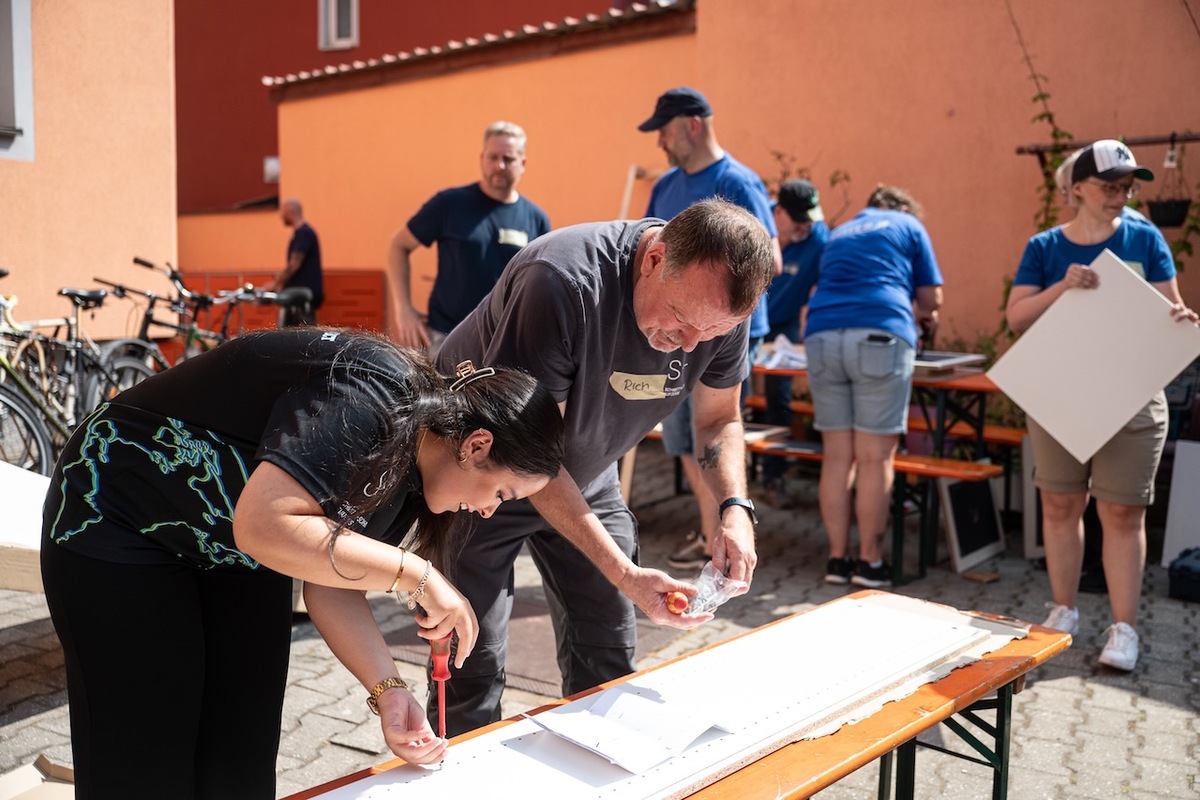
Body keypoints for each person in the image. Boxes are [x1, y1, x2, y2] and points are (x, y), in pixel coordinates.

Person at [39, 328, 565, 799]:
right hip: (117, 517)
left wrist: (389, 692)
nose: (490, 510)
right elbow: (266, 524)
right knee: (147, 754)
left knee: (239, 754)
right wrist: (418, 574)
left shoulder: (418, 475)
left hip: (228, 548)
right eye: (502, 490)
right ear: (476, 445)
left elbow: (330, 582)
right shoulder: (373, 397)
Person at [433, 198, 775, 735]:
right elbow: (532, 460)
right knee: (470, 668)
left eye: (708, 335)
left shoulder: (717, 310)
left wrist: (735, 509)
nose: (687, 346)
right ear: (654, 259)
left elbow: (719, 420)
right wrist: (624, 571)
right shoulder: (561, 283)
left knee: (608, 659)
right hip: (481, 477)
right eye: (682, 320)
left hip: (586, 473)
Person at [1006, 139, 1198, 671]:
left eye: (1128, 186)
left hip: (1131, 396)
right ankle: (1063, 610)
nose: (1122, 195)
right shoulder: (1045, 248)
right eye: (1111, 186)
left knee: (1121, 511)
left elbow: (1169, 308)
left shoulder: (1146, 237)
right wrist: (1062, 288)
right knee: (1061, 505)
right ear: (1076, 189)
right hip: (1059, 395)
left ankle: (1124, 629)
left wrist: (1180, 320)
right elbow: (1017, 316)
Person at [637, 86, 782, 570]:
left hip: (719, 333)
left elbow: (771, 259)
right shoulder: (665, 185)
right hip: (671, 325)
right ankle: (708, 531)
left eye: (664, 129)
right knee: (680, 436)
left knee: (711, 424)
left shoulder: (738, 182)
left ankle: (713, 535)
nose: (659, 141)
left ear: (692, 125)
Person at [804, 185, 944, 588]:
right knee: (874, 458)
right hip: (881, 335)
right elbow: (931, 297)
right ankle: (870, 563)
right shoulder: (908, 224)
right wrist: (924, 317)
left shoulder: (840, 231)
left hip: (823, 336)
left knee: (836, 457)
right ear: (902, 206)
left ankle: (836, 560)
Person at [387, 121, 551, 353]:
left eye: (509, 158)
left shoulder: (536, 219)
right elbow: (398, 246)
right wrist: (403, 310)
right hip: (446, 339)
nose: (500, 165)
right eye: (493, 157)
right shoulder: (449, 204)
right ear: (482, 158)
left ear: (523, 163)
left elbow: (540, 284)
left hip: (505, 344)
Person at [758, 179, 829, 508]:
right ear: (779, 212)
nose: (806, 225)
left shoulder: (818, 238)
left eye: (809, 217)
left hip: (783, 325)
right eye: (798, 218)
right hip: (744, 321)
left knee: (779, 396)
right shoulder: (756, 223)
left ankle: (774, 476)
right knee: (732, 396)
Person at [270, 197, 324, 326]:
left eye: (282, 212)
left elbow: (295, 264)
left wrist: (276, 283)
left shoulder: (303, 234)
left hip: (301, 296)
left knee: (302, 334)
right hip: (297, 295)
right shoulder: (300, 234)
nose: (281, 216)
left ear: (291, 211)